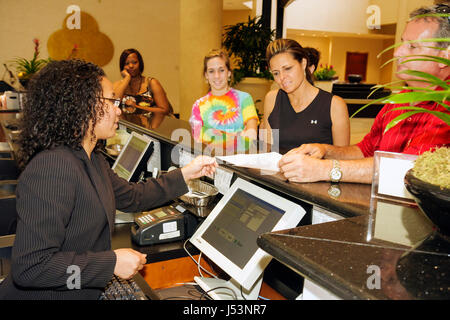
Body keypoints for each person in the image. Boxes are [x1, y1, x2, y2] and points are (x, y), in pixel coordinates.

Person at [0, 59, 217, 300]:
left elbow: (133, 196)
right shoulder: (53, 166)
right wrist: (110, 263)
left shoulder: (92, 157)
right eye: (112, 101)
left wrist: (186, 174)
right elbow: (32, 267)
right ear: (82, 106)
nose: (119, 109)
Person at [278, 4, 450, 184]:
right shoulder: (399, 101)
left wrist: (325, 169)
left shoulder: (445, 107)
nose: (398, 53)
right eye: (401, 43)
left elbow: (409, 170)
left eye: (412, 46)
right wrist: (325, 151)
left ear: (444, 56)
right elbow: (366, 150)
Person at [261, 39, 350, 153]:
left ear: (303, 63)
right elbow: (268, 150)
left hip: (319, 170)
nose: (282, 77)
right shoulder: (271, 99)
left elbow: (342, 157)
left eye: (288, 68)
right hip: (278, 170)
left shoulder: (334, 105)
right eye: (276, 73)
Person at [189, 49, 259, 148]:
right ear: (206, 75)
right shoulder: (198, 105)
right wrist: (237, 136)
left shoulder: (245, 99)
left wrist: (212, 135)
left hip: (240, 160)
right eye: (211, 71)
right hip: (211, 161)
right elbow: (198, 139)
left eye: (221, 70)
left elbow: (251, 137)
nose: (217, 76)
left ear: (229, 73)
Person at [113, 48, 173, 128]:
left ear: (140, 63)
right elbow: (113, 104)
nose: (131, 66)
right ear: (122, 66)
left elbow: (164, 110)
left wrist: (137, 107)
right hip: (124, 131)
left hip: (149, 130)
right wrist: (127, 79)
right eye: (127, 63)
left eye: (134, 62)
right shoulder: (119, 85)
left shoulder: (151, 83)